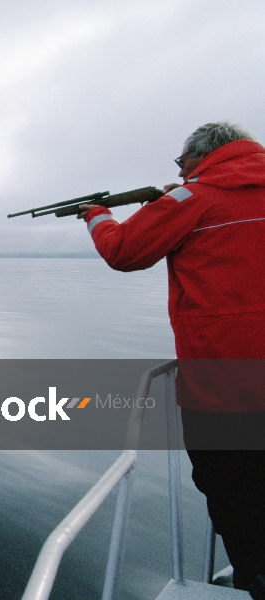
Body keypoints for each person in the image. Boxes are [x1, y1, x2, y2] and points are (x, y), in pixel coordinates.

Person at [79, 122, 265, 593]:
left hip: (223, 381)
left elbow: (123, 250)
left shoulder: (190, 199)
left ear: (200, 157)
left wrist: (96, 213)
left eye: (182, 164)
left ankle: (255, 574)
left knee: (228, 482)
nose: (180, 172)